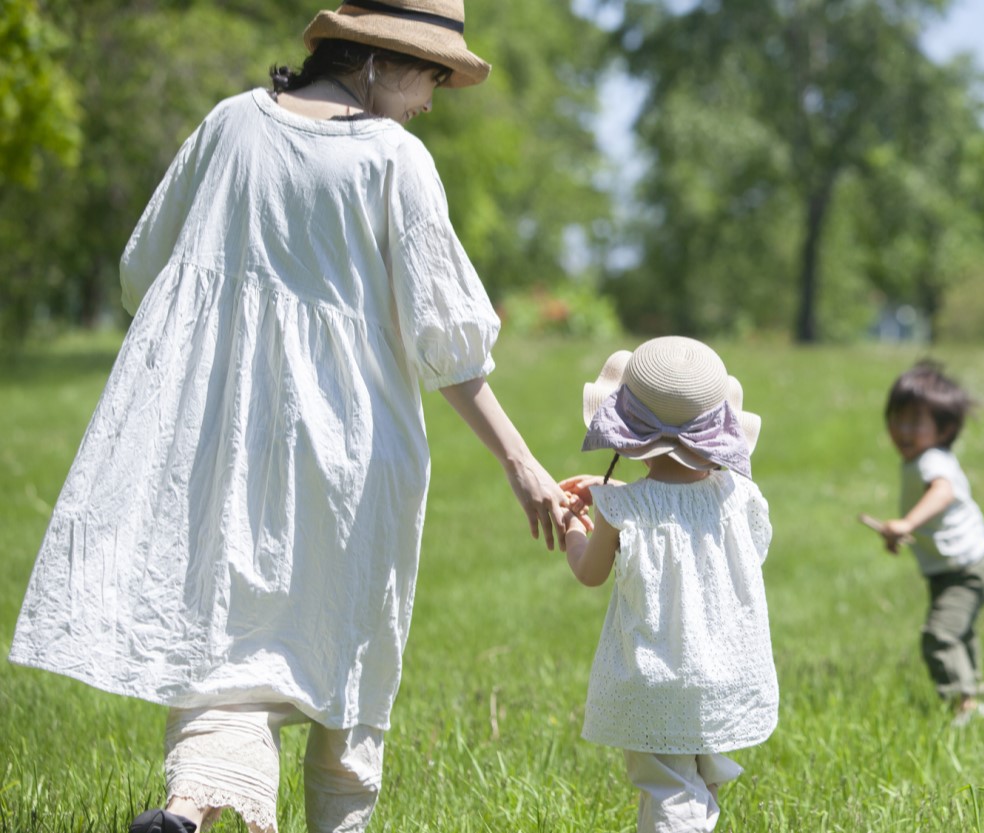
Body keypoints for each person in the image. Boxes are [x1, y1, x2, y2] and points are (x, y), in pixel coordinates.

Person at [7, 3, 579, 832]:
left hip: (226, 440)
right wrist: (520, 462)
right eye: (432, 74)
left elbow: (144, 273)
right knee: (346, 661)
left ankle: (189, 809)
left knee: (229, 657)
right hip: (355, 452)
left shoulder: (231, 123)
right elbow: (448, 343)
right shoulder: (395, 160)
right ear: (381, 59)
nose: (434, 98)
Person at [558, 336, 777, 833]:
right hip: (724, 670)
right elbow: (732, 543)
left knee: (667, 789)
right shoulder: (739, 496)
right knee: (695, 782)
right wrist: (619, 498)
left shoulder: (622, 510)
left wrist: (577, 522)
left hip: (659, 677)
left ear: (629, 433)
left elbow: (589, 573)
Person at [866, 360, 984, 727]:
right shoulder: (920, 459)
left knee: (940, 635)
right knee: (960, 630)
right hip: (956, 566)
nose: (902, 430)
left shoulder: (932, 461)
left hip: (965, 568)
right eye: (896, 419)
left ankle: (963, 704)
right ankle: (976, 693)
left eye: (914, 422)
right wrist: (902, 535)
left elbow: (942, 492)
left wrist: (906, 522)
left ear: (945, 429)